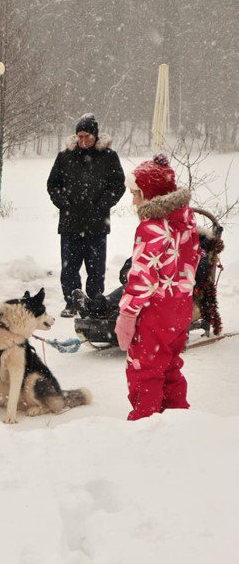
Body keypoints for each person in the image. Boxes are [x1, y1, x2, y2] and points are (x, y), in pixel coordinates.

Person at [114, 155, 200, 421]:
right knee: (170, 366)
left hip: (155, 311)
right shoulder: (185, 222)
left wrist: (127, 314)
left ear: (149, 194)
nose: (133, 201)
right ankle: (177, 419)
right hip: (180, 308)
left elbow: (143, 278)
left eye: (135, 194)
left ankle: (145, 423)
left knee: (145, 369)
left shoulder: (152, 227)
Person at [46, 113, 125, 317]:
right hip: (70, 223)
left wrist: (103, 204)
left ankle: (94, 302)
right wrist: (64, 203)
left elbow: (118, 185)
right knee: (69, 268)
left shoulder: (108, 157)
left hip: (97, 224)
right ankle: (72, 302)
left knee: (96, 268)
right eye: (79, 136)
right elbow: (53, 184)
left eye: (87, 136)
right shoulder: (65, 157)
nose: (82, 141)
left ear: (95, 135)